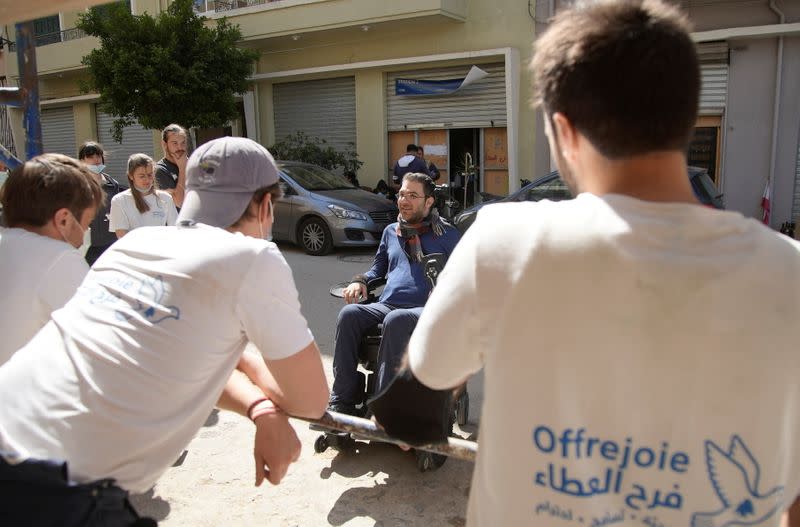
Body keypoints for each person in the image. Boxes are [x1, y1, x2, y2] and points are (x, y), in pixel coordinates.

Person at [373, 1, 800, 525]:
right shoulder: (788, 273)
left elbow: (414, 406)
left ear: (564, 132)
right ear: (688, 119)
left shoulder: (502, 242)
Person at [0, 137, 329, 525]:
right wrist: (251, 364)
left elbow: (172, 357)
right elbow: (310, 401)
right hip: (54, 488)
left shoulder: (135, 243)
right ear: (266, 205)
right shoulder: (253, 257)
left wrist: (257, 406)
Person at [328, 172, 460, 416]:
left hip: (428, 310)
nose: (404, 200)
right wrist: (361, 281)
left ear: (429, 201)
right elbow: (378, 268)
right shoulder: (391, 231)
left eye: (412, 195)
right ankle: (341, 401)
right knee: (349, 314)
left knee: (395, 320)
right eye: (401, 194)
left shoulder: (447, 235)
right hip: (388, 304)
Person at [0, 153, 102, 366]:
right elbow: (100, 344)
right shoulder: (59, 258)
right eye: (86, 223)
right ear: (64, 219)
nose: (84, 234)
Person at [78, 141, 127, 265]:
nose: (95, 160)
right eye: (90, 157)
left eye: (98, 156)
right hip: (88, 246)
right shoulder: (78, 184)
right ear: (82, 161)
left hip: (111, 244)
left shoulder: (112, 183)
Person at [109, 153, 178, 238]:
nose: (147, 179)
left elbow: (175, 230)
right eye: (142, 176)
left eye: (150, 175)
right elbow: (121, 235)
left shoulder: (166, 198)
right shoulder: (119, 200)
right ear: (131, 176)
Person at [154, 123, 189, 208]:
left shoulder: (193, 165)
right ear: (164, 144)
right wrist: (182, 168)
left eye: (183, 143)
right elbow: (179, 202)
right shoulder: (160, 170)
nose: (180, 148)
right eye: (175, 143)